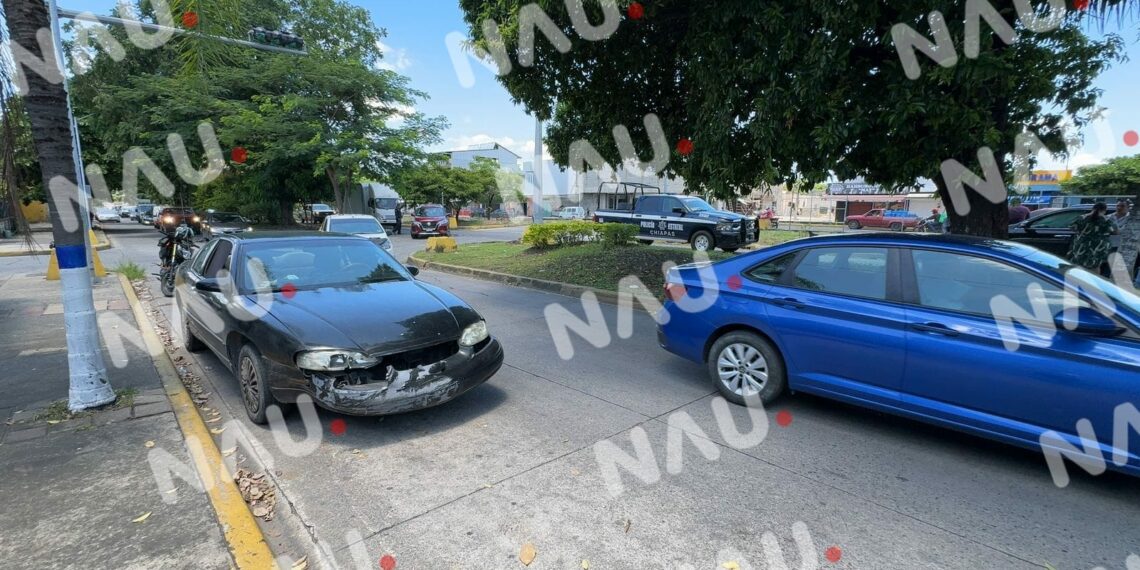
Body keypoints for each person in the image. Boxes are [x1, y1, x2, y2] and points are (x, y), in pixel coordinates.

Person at [1067, 202, 1117, 273]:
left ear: (1093, 208)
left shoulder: (1081, 218)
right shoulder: (1106, 220)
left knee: (1079, 264)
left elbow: (1072, 227)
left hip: (1082, 244)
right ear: (1104, 210)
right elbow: (1115, 232)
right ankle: (1092, 282)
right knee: (1095, 266)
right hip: (1098, 246)